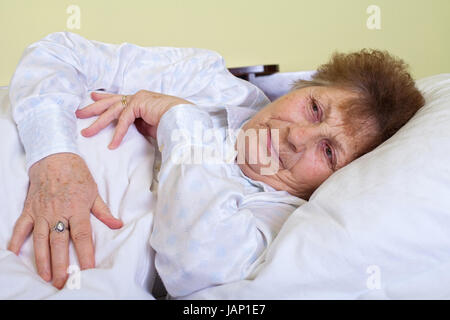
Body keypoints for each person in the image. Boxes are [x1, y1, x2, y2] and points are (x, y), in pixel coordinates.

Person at [7, 32, 424, 295]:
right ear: (303, 86)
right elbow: (58, 53)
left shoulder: (277, 219)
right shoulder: (207, 80)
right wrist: (54, 156)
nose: (298, 136)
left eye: (329, 152)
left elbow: (196, 272)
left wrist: (181, 122)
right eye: (314, 108)